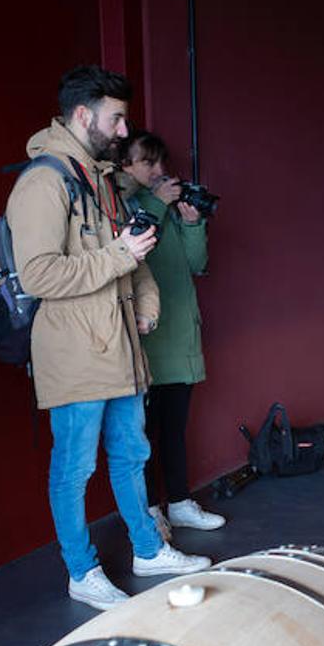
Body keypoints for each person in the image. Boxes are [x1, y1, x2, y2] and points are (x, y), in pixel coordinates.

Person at [8, 65, 210, 611]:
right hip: (75, 351)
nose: (124, 132)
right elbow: (40, 275)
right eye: (116, 118)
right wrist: (121, 256)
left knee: (130, 452)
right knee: (74, 468)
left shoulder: (97, 179)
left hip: (121, 346)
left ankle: (148, 549)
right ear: (82, 114)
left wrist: (147, 302)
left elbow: (135, 248)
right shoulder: (43, 183)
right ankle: (81, 572)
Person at [117, 130, 225, 536]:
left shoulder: (163, 206)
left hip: (180, 333)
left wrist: (192, 224)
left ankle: (179, 502)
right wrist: (158, 206)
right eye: (149, 163)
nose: (160, 172)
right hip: (148, 337)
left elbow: (196, 264)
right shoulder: (124, 204)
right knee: (140, 436)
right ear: (125, 166)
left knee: (176, 430)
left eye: (161, 163)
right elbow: (133, 248)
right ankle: (148, 512)